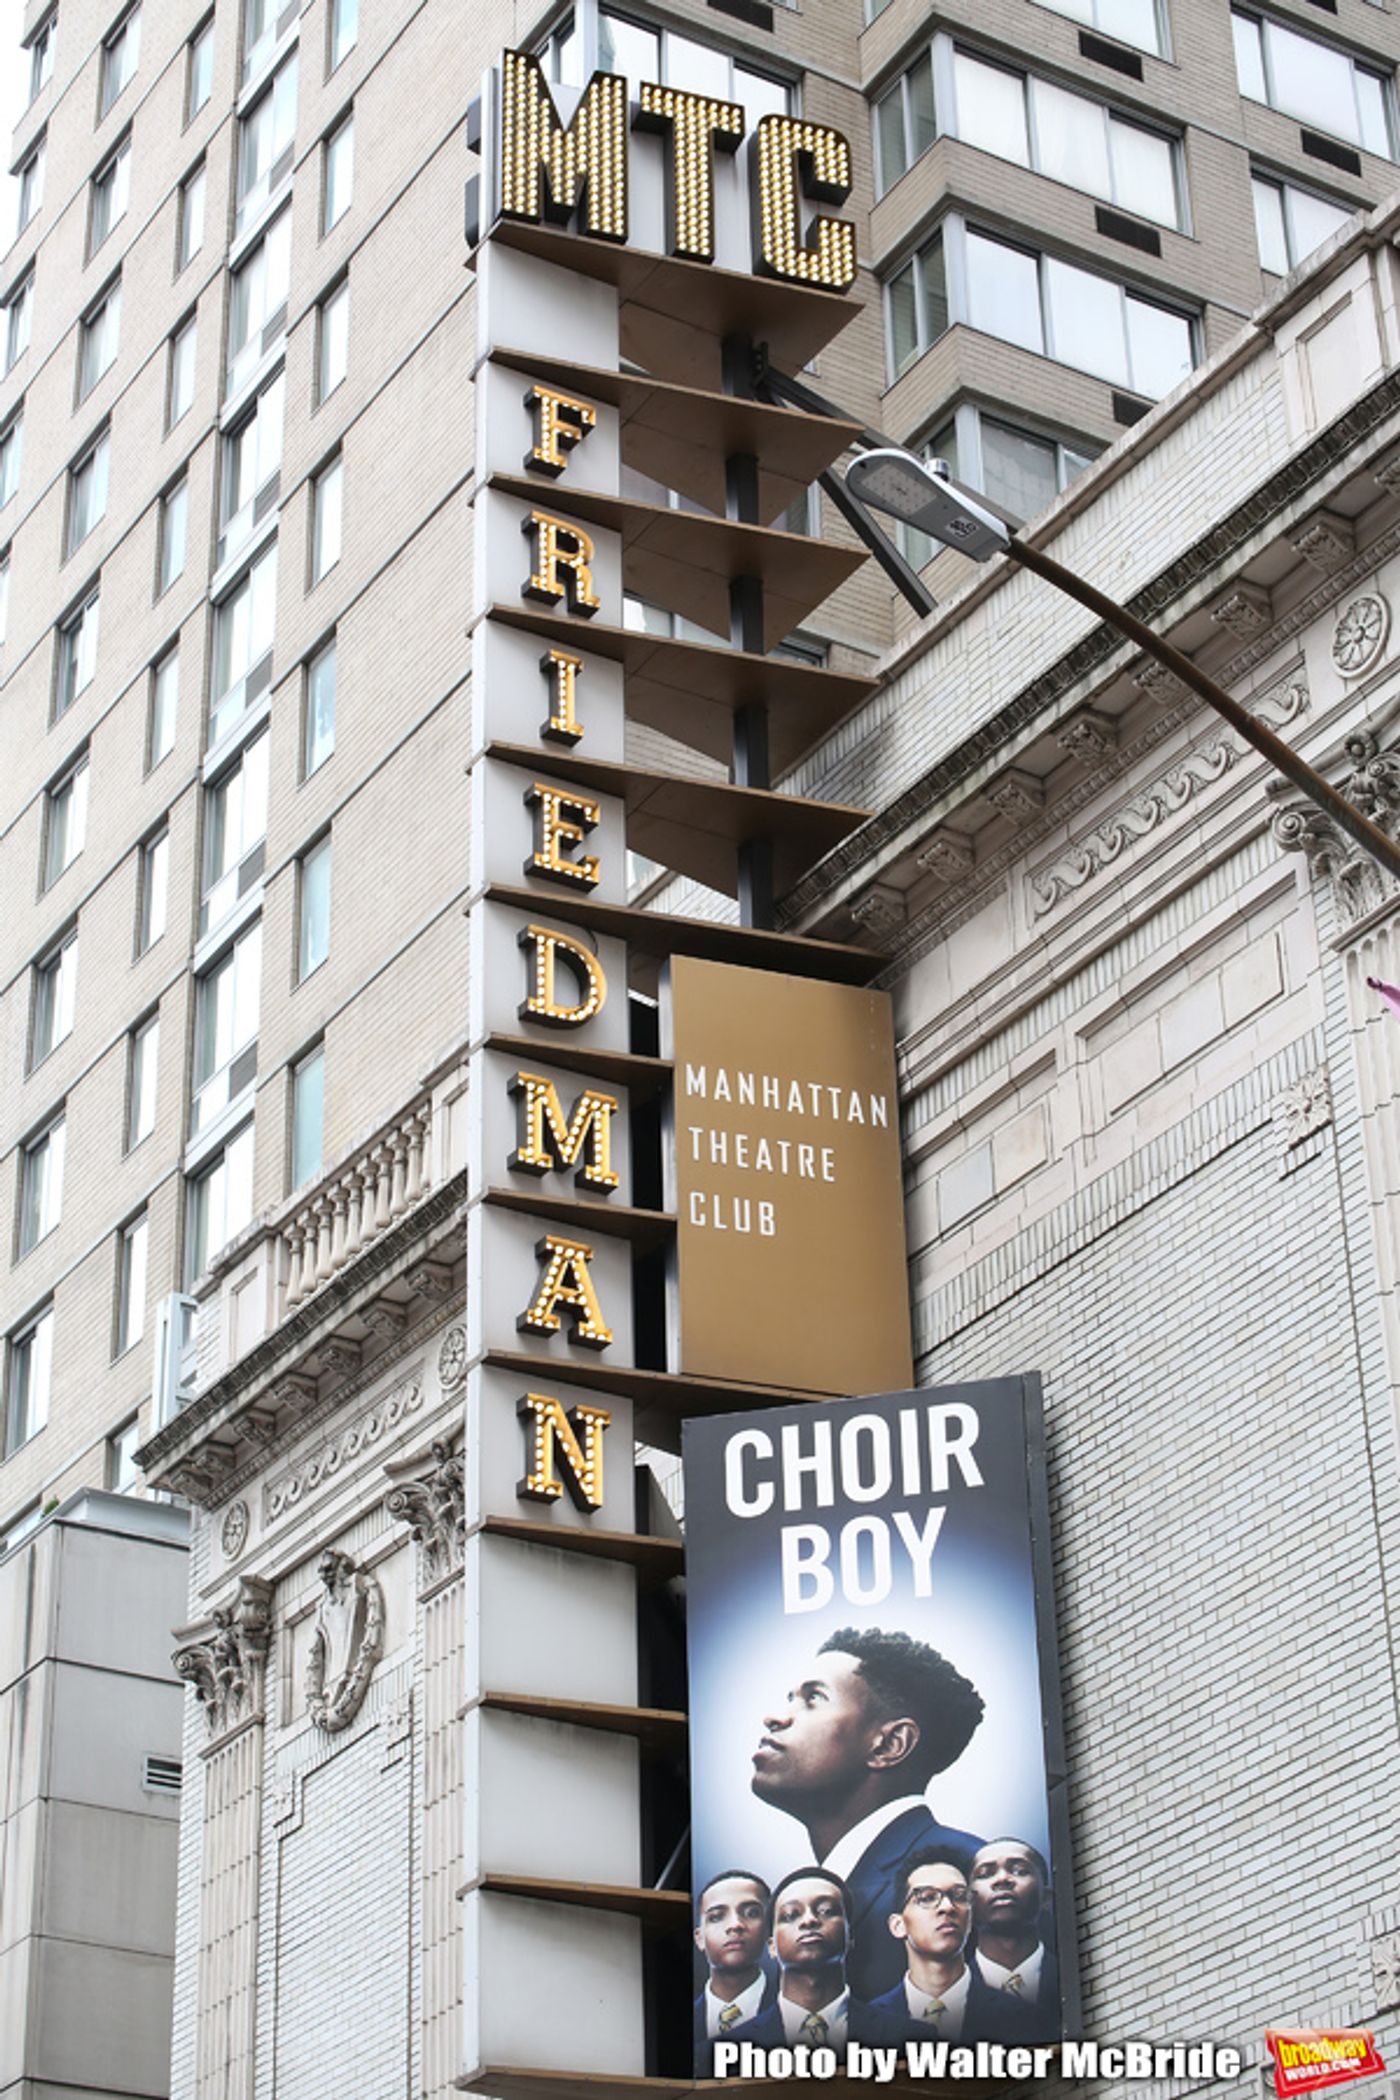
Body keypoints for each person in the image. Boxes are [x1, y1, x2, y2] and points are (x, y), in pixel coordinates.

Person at [750, 1626, 985, 1999]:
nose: (775, 1718)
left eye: (813, 1699)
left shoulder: (976, 1876)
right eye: (790, 1698)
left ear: (889, 1745)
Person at [866, 1848, 1038, 2045]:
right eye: (927, 1897)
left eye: (959, 1896)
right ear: (898, 1925)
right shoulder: (867, 2026)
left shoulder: (1023, 2019)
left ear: (971, 1918)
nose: (947, 1907)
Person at [728, 1867, 863, 2055]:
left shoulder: (901, 2036)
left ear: (850, 1937)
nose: (809, 1920)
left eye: (826, 1910)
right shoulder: (727, 2052)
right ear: (771, 1946)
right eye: (791, 1915)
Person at [969, 1838, 1060, 2041]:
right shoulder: (946, 1998)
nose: (1002, 1879)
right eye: (985, 1874)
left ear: (1046, 1897)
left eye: (1020, 1871)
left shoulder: (1073, 1978)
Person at [692, 1869, 776, 2075]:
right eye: (716, 1917)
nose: (735, 1925)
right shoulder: (675, 2024)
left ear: (770, 1930)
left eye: (751, 1913)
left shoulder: (800, 2015)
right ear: (699, 1938)